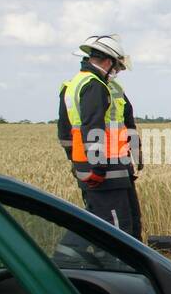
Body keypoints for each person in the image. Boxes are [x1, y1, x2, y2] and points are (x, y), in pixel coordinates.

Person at [56, 34, 143, 239]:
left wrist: (78, 162)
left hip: (111, 169)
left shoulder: (74, 85)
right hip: (105, 172)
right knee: (118, 230)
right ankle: (120, 270)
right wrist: (96, 166)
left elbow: (65, 134)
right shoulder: (95, 86)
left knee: (121, 222)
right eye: (117, 67)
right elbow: (91, 127)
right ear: (107, 61)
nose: (117, 72)